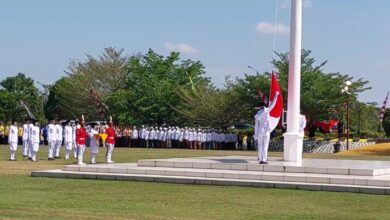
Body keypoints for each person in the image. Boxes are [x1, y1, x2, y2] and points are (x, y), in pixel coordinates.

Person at [254, 91, 280, 164]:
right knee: (265, 145)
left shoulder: (257, 114)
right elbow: (273, 104)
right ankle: (264, 159)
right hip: (266, 131)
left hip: (260, 131)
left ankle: (260, 159)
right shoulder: (267, 111)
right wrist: (276, 96)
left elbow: (256, 125)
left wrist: (255, 134)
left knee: (260, 145)